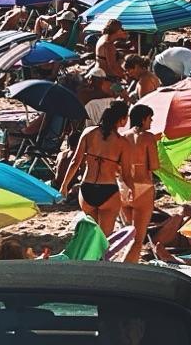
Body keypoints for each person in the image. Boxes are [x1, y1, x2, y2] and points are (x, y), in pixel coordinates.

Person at [60, 101, 128, 242]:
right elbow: (125, 172)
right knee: (103, 239)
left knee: (91, 235)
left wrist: (64, 185)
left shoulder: (88, 132)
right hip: (109, 189)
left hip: (87, 188)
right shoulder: (122, 142)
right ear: (122, 119)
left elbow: (75, 162)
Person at [120, 102, 159, 263]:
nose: (151, 122)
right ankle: (127, 267)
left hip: (123, 187)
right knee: (138, 238)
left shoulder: (122, 137)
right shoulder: (148, 137)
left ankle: (126, 264)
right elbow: (154, 165)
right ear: (143, 119)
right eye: (150, 118)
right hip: (142, 187)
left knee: (129, 234)